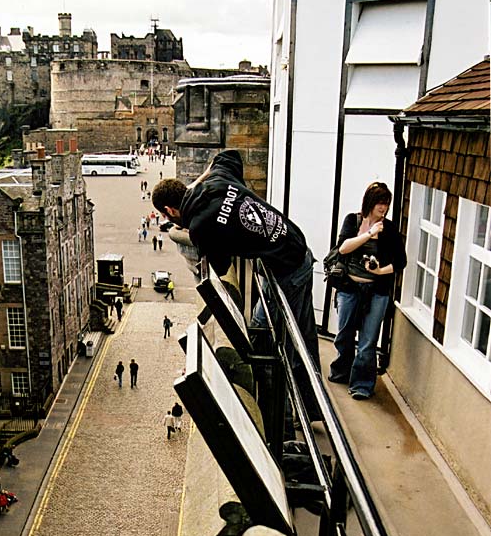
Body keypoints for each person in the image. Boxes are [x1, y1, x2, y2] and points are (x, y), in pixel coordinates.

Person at [151, 149, 320, 370]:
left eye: (166, 215)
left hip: (291, 266)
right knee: (263, 324)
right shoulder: (218, 180)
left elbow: (221, 269)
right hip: (290, 246)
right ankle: (267, 374)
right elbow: (229, 155)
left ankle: (306, 397)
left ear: (169, 210)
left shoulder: (201, 228)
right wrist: (198, 183)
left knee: (296, 340)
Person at [328, 182, 407, 400]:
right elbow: (343, 248)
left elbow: (401, 261)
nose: (384, 208)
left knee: (368, 341)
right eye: (381, 203)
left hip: (377, 292)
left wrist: (380, 270)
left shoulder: (389, 229)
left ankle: (362, 385)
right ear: (370, 202)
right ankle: (341, 370)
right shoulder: (353, 221)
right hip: (349, 288)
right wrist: (368, 233)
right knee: (344, 334)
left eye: (387, 204)